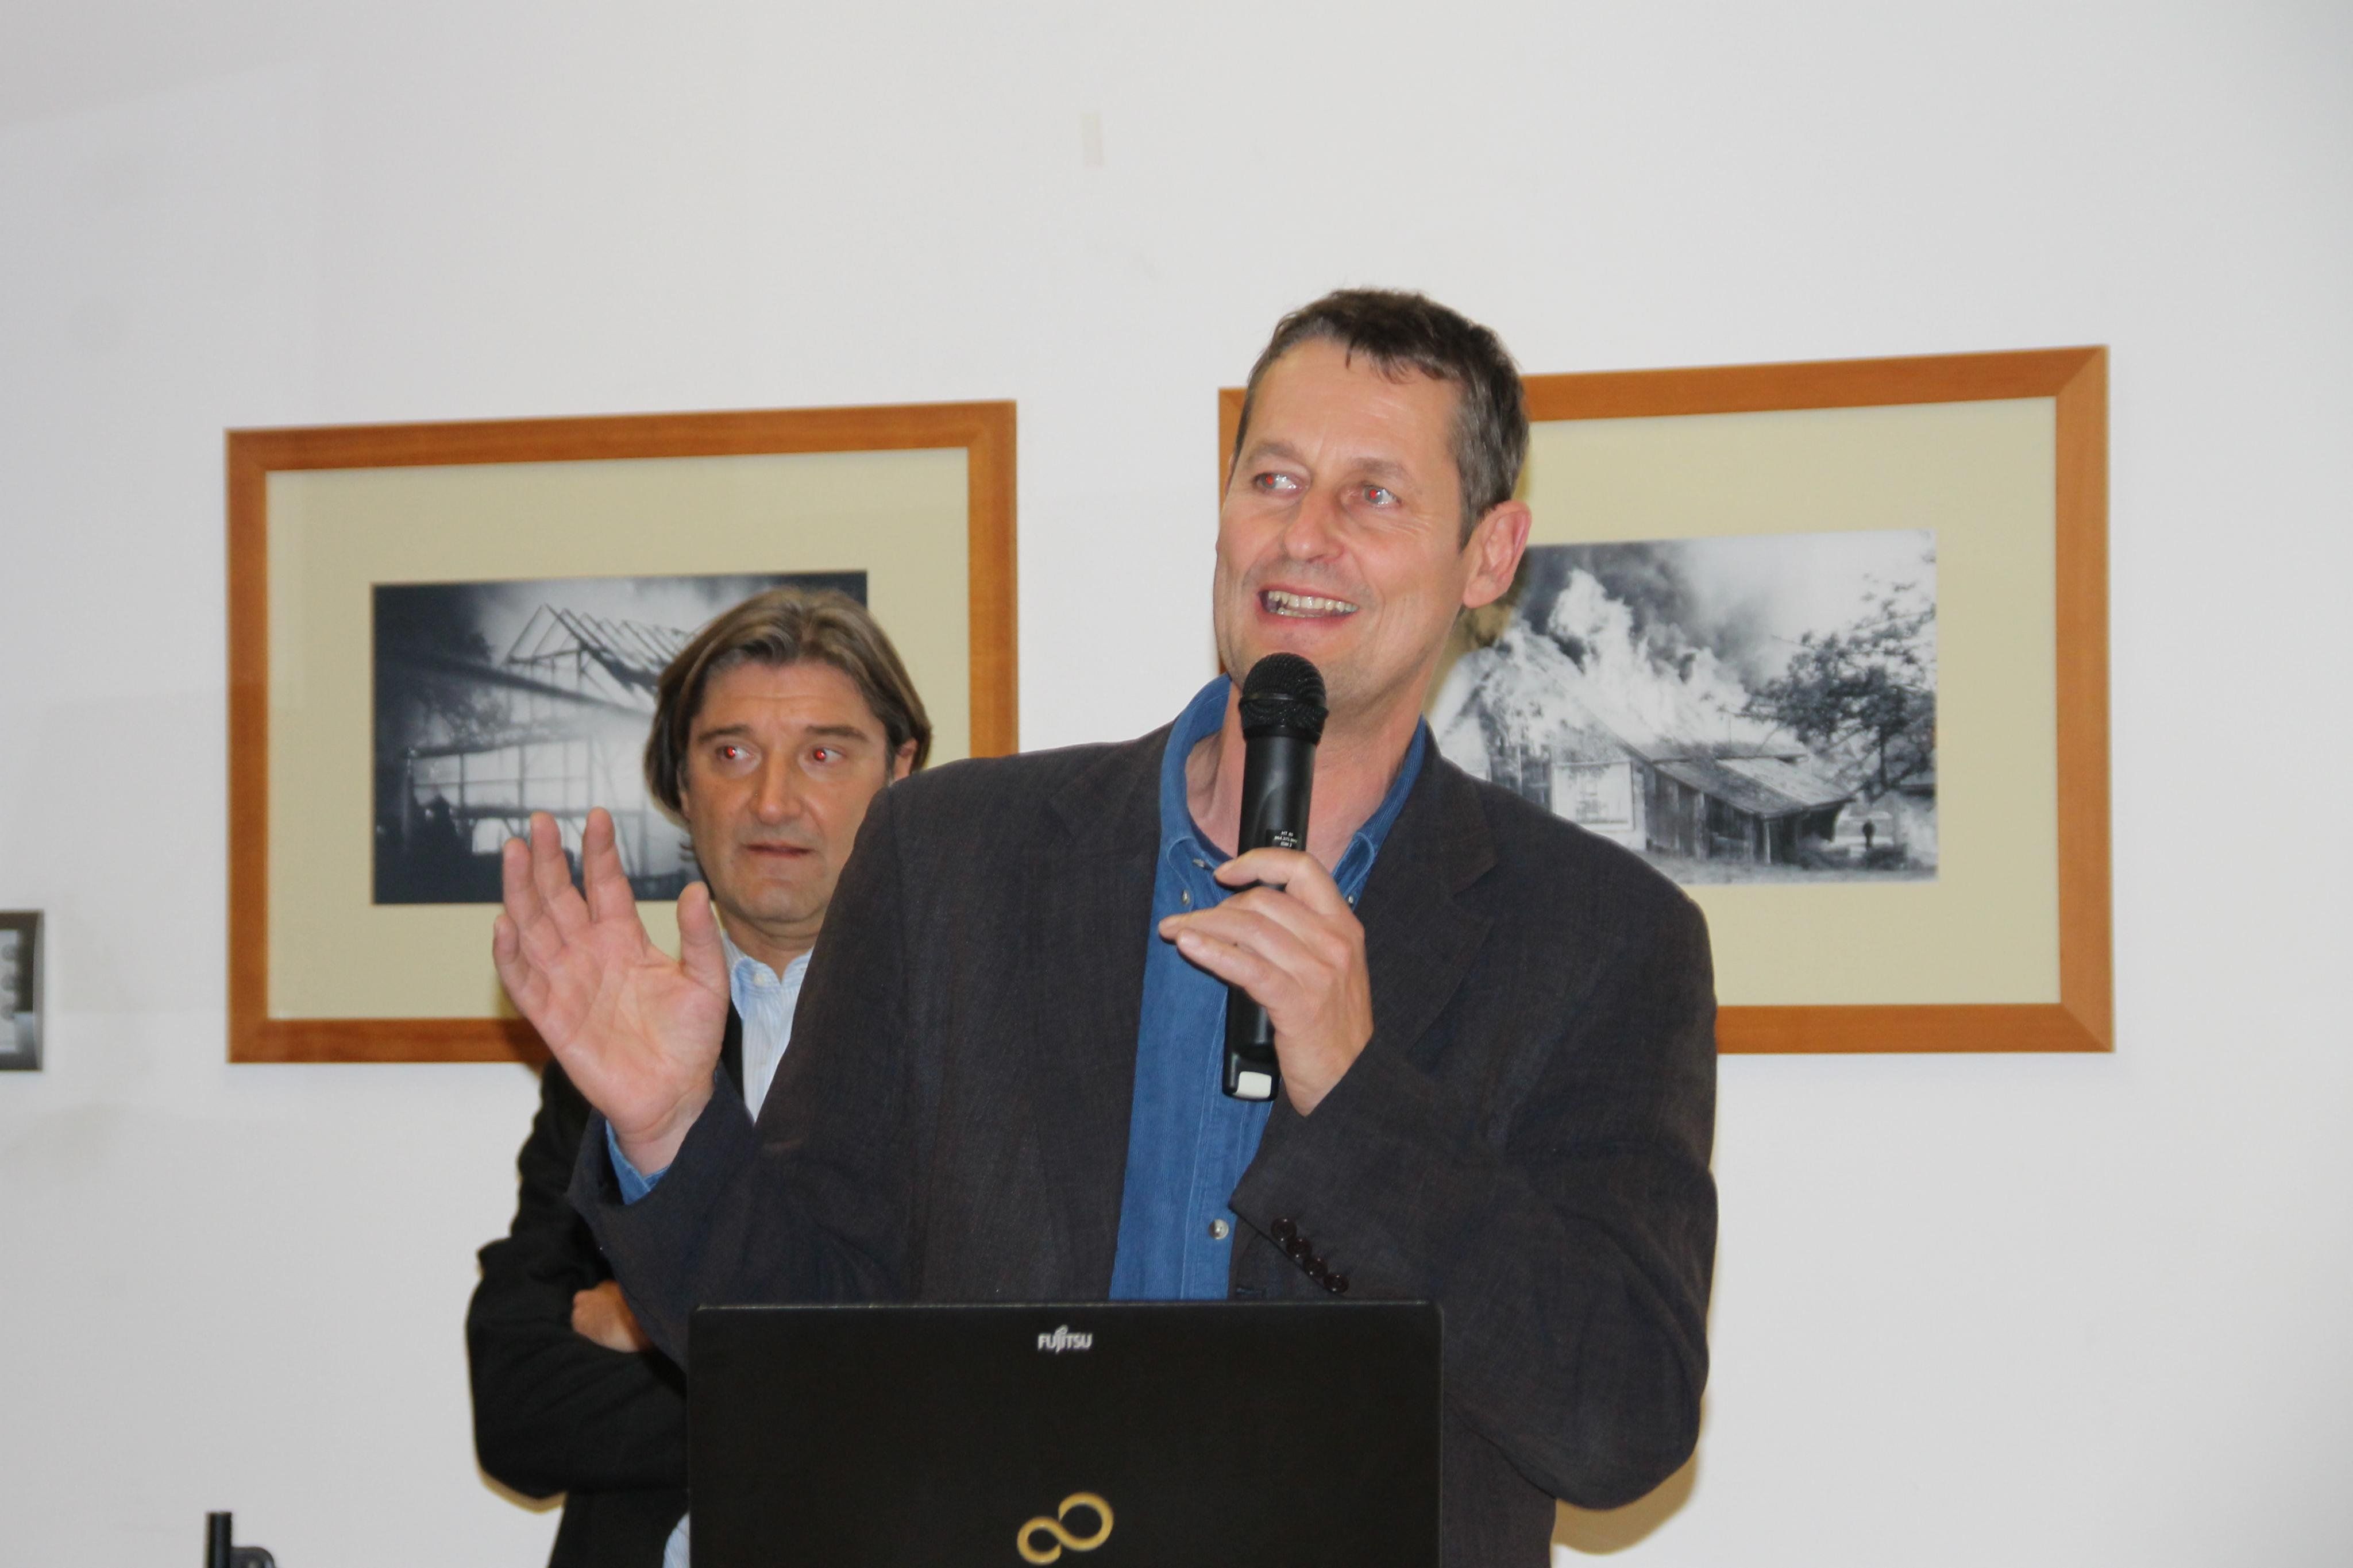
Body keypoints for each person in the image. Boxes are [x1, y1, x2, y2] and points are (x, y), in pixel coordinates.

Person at [496, 290, 1718, 1566]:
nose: (1302, 536)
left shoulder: (1600, 939)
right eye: (1273, 479)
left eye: (1373, 496)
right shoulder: (949, 855)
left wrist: (1359, 1102)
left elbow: (1618, 1419)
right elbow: (804, 1336)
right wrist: (669, 1131)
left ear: (1489, 553)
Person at [467, 586, 929, 1568]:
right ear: (682, 782)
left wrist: (647, 1320)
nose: (773, 800)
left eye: (823, 754)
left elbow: (966, 1384)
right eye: (731, 753)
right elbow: (517, 1404)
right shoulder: (618, 1043)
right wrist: (816, 1393)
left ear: (901, 770)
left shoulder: (968, 1030)